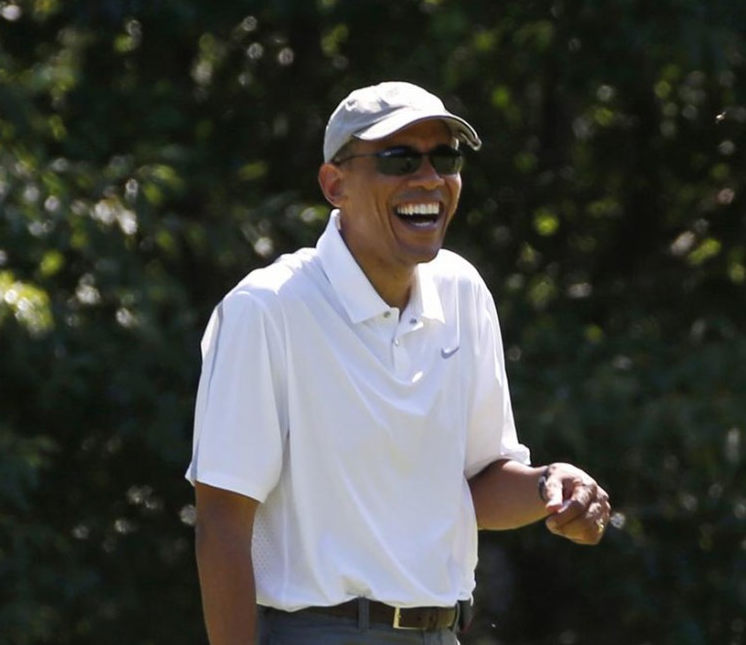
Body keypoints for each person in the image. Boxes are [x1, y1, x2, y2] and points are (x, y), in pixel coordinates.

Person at [185, 81, 611, 645]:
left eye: (445, 158)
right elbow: (221, 523)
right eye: (399, 159)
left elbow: (476, 488)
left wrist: (548, 485)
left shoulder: (462, 291)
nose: (430, 178)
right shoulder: (267, 309)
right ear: (335, 184)